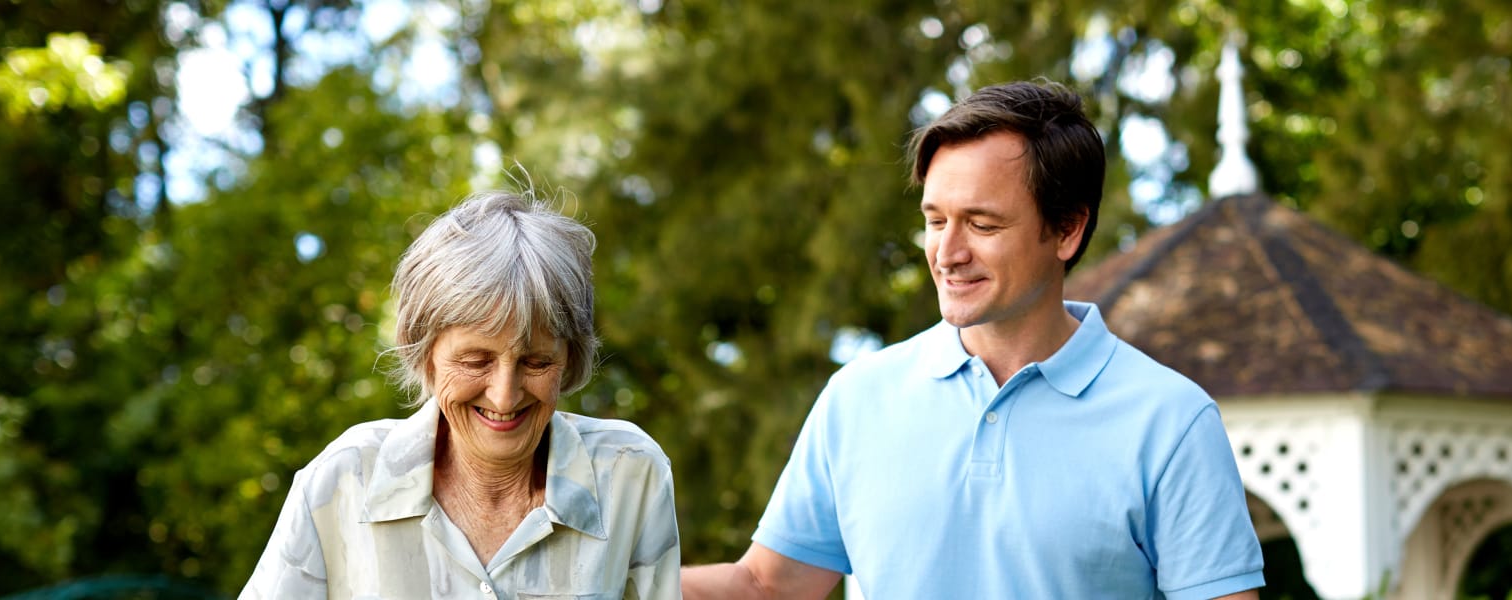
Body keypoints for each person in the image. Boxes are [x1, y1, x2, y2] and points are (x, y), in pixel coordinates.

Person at [681, 81, 1265, 599]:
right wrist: (611, 577)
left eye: (982, 224)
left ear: (1067, 229)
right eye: (936, 221)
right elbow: (767, 586)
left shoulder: (1171, 421)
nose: (948, 253)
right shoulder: (858, 397)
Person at [241, 191, 680, 599]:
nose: (505, 396)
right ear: (425, 354)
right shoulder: (345, 480)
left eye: (536, 363)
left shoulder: (629, 473)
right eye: (475, 362)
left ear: (570, 359)